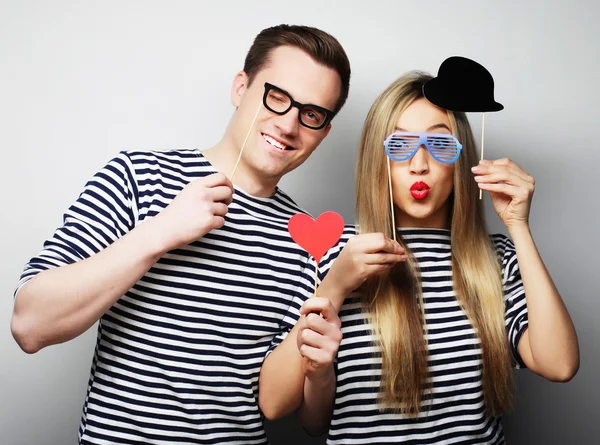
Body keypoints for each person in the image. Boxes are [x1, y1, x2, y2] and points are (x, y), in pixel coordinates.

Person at [11, 24, 351, 444]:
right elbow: (30, 325)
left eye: (312, 114)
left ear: (324, 131)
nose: (288, 125)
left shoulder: (310, 240)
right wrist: (158, 234)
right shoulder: (137, 177)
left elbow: (281, 406)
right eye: (277, 97)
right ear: (241, 88)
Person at [259, 71, 579, 444]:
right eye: (400, 145)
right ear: (377, 159)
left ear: (461, 161)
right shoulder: (331, 250)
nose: (419, 164)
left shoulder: (498, 259)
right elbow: (288, 410)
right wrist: (335, 285)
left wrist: (518, 226)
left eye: (440, 145)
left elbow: (559, 365)